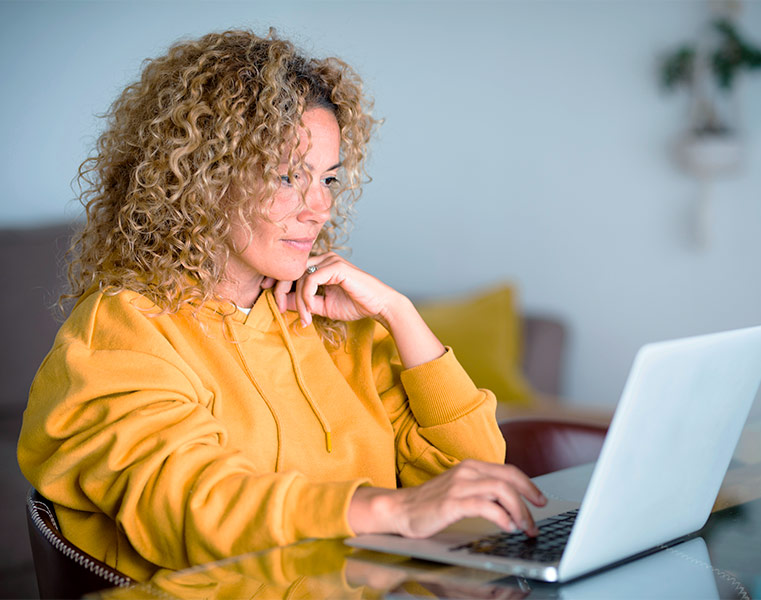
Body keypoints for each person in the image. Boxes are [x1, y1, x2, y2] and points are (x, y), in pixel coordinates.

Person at [18, 29, 545, 581]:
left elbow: (474, 478)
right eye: (288, 176)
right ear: (204, 179)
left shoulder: (335, 322)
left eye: (329, 180)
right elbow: (190, 507)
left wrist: (401, 315)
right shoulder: (124, 329)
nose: (318, 208)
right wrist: (390, 509)